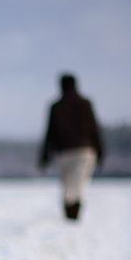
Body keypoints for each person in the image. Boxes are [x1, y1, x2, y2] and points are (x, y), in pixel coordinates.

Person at [38, 73, 104, 221]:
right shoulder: (85, 104)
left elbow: (49, 132)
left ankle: (69, 215)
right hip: (84, 151)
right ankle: (74, 216)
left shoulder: (56, 106)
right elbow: (94, 129)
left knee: (67, 183)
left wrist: (44, 156)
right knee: (79, 183)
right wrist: (100, 151)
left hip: (62, 152)